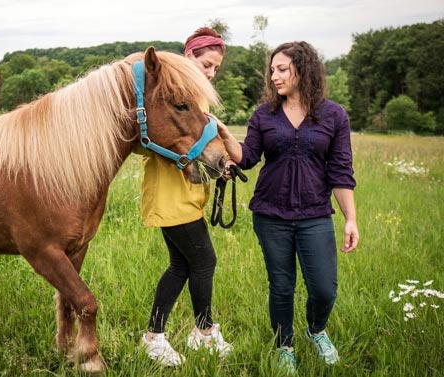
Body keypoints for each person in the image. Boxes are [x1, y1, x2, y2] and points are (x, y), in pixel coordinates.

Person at [217, 41, 359, 373]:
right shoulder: (264, 114)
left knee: (324, 288)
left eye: (282, 69)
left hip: (314, 215)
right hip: (270, 214)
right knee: (281, 285)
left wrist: (351, 219)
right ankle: (284, 345)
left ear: (303, 69)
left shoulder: (333, 115)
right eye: (272, 69)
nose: (274, 75)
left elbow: (341, 171)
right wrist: (225, 137)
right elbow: (248, 157)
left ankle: (316, 330)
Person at [139, 27, 233, 367]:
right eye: (205, 63)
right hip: (171, 197)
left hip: (189, 197)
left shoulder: (198, 99)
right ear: (187, 56)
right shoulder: (171, 95)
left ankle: (156, 336)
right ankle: (202, 333)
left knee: (181, 265)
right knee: (204, 262)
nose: (210, 73)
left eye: (215, 69)